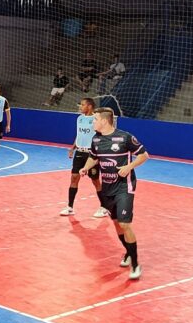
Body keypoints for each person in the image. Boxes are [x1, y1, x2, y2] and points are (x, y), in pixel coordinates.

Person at [80, 107, 148, 281]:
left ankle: (135, 263)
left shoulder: (125, 137)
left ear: (104, 120)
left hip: (125, 187)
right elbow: (94, 157)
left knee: (125, 224)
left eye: (95, 119)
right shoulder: (96, 139)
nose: (92, 122)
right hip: (107, 188)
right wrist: (86, 168)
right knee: (117, 225)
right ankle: (128, 251)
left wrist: (128, 167)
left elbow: (144, 155)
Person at [59, 97, 108, 218]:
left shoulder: (96, 120)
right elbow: (79, 135)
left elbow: (102, 136)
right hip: (79, 153)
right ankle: (70, 207)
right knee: (74, 178)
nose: (80, 107)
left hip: (92, 154)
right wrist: (72, 148)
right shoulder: (79, 118)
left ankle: (104, 207)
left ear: (89, 106)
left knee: (95, 181)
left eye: (82, 105)